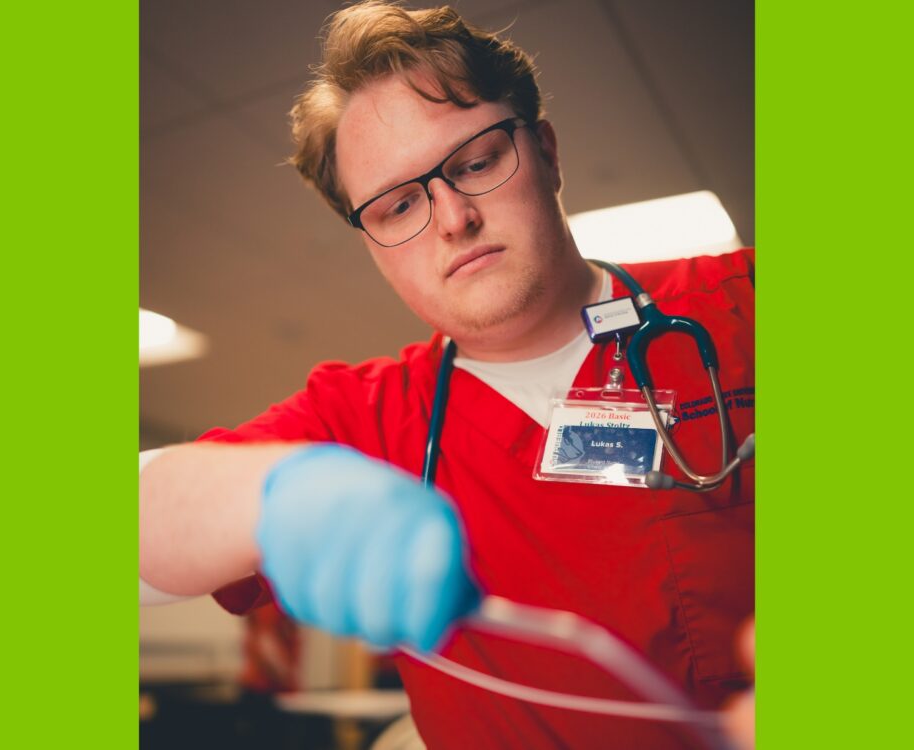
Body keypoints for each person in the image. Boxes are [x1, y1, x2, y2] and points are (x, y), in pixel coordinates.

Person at [140, 2, 755, 747]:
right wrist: (270, 497)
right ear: (372, 242)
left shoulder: (746, 303)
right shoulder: (363, 418)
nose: (452, 219)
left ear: (548, 152)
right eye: (399, 205)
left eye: (475, 163)